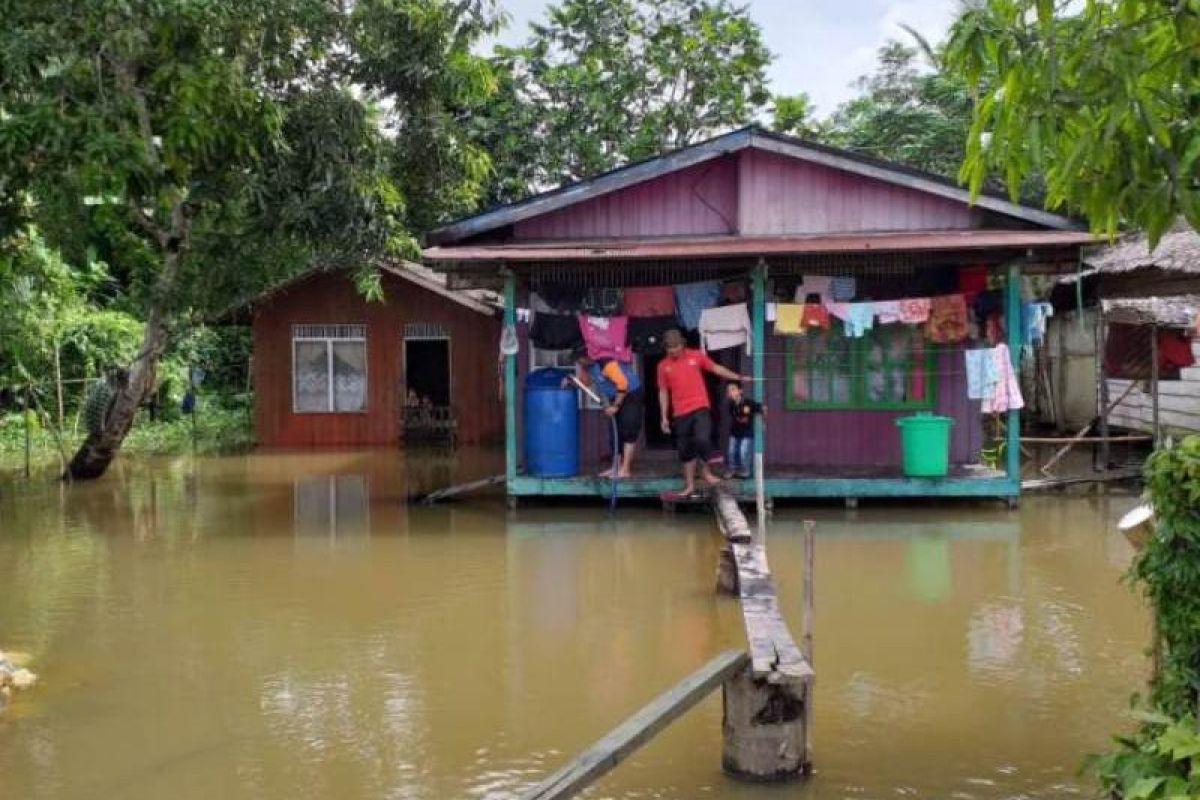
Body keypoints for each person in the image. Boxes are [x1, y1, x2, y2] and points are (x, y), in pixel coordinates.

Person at [657, 329, 751, 497]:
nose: (674, 350)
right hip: (680, 412)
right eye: (670, 348)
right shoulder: (663, 366)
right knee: (685, 450)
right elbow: (663, 392)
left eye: (677, 346)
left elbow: (716, 368)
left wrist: (738, 377)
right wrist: (664, 416)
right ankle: (689, 485)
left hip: (700, 406)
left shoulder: (696, 356)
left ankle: (706, 472)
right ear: (665, 348)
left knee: (701, 438)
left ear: (682, 344)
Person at [567, 349, 643, 478]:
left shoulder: (606, 364)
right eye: (578, 363)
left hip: (631, 394)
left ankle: (625, 469)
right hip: (615, 395)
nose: (579, 364)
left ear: (587, 356)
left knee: (628, 429)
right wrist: (571, 381)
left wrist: (616, 406)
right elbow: (586, 382)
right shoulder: (587, 367)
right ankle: (615, 467)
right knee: (615, 432)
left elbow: (622, 384)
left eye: (580, 361)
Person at [725, 381, 765, 479]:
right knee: (731, 451)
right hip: (735, 432)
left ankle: (746, 471)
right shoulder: (731, 405)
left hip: (747, 432)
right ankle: (732, 470)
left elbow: (763, 408)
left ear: (740, 391)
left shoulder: (748, 403)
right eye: (728, 390)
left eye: (733, 389)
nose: (730, 392)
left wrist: (764, 423)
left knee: (743, 451)